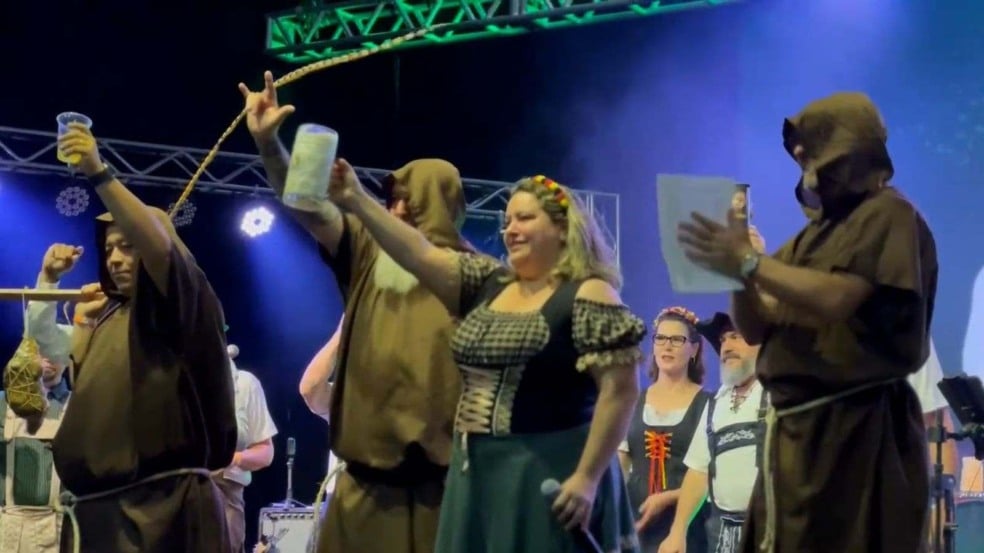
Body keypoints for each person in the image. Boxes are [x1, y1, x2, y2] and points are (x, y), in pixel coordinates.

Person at [326, 161, 644, 552]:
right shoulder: (488, 284)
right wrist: (356, 199)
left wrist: (587, 477)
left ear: (562, 228)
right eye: (507, 220)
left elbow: (621, 392)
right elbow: (419, 254)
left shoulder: (589, 293)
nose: (510, 229)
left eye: (525, 218)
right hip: (477, 475)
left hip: (546, 473)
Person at [677, 91, 937, 553]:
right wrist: (739, 275)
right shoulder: (810, 238)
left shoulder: (888, 213)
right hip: (797, 439)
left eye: (811, 151)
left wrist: (752, 263)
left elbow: (838, 299)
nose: (804, 164)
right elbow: (758, 329)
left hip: (857, 434)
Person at [241, 71, 472, 553]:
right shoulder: (368, 253)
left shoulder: (473, 275)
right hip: (363, 490)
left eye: (410, 201)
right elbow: (308, 207)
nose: (398, 211)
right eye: (394, 200)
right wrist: (270, 146)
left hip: (446, 493)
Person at [51, 122, 237, 552]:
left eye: (128, 245)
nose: (115, 258)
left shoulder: (182, 302)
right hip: (97, 517)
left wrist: (99, 172)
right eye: (110, 248)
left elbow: (162, 250)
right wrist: (79, 322)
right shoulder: (108, 315)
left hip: (159, 516)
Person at [658, 311, 766, 553]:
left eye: (736, 336)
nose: (727, 345)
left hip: (768, 533)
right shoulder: (717, 403)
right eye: (723, 340)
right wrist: (678, 531)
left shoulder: (775, 395)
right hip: (721, 535)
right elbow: (698, 472)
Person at [619, 306, 710, 552]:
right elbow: (619, 464)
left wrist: (671, 497)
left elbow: (712, 476)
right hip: (636, 523)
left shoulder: (710, 404)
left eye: (677, 339)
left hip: (688, 527)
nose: (666, 345)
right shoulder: (634, 400)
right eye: (660, 338)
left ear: (694, 349)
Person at [214, 343, 278, 553]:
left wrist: (232, 458)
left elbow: (265, 452)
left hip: (225, 494)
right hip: (179, 492)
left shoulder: (245, 384)